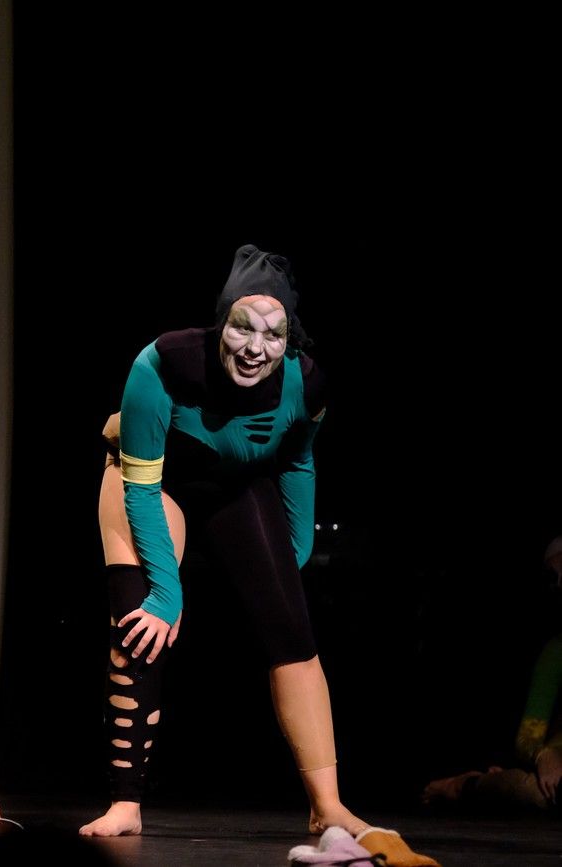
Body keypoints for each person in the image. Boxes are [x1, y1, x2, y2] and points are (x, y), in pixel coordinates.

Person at [81, 245, 438, 867]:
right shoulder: (163, 363)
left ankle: (327, 804)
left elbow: (297, 461)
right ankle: (125, 800)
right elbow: (141, 481)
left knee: (292, 634)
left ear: (290, 340)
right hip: (152, 478)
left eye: (274, 335)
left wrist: (294, 552)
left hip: (234, 483)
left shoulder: (309, 382)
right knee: (142, 623)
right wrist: (169, 591)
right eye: (243, 326)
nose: (255, 347)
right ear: (221, 323)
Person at [421, 535, 562, 812]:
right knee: (533, 793)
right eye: (554, 577)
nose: (559, 585)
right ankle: (468, 785)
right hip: (554, 771)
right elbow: (528, 737)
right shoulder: (556, 651)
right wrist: (548, 754)